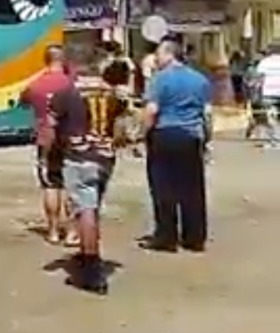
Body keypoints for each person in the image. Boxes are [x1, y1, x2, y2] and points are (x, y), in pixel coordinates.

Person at [44, 60, 132, 294]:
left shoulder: (65, 94)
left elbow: (50, 127)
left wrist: (49, 154)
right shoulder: (115, 95)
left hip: (78, 157)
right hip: (105, 158)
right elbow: (122, 129)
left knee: (85, 209)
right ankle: (87, 252)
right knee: (92, 207)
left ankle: (91, 265)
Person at [140, 36, 213, 253]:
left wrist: (144, 134)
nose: (157, 59)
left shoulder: (160, 79)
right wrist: (206, 139)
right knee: (192, 189)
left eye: (159, 54)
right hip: (191, 136)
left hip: (165, 135)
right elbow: (207, 114)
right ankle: (194, 237)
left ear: (169, 54)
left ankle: (166, 236)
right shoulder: (200, 80)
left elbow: (152, 110)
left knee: (163, 188)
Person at [18, 45, 75, 246]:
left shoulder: (37, 84)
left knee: (51, 185)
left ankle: (52, 231)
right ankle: (71, 232)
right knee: (70, 185)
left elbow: (22, 100)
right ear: (64, 59)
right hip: (69, 139)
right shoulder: (71, 84)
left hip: (45, 139)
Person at [252, 43, 280, 149]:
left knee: (271, 117)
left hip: (269, 92)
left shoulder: (264, 62)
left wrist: (255, 90)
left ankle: (275, 140)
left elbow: (258, 78)